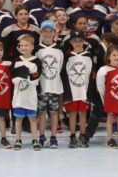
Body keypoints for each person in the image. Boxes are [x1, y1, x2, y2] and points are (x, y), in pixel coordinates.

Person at [62, 30, 95, 147]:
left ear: (84, 41)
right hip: (72, 91)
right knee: (72, 114)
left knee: (83, 114)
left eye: (80, 41)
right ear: (71, 42)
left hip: (84, 91)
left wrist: (89, 92)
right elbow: (65, 75)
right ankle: (72, 136)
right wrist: (67, 93)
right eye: (75, 41)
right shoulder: (68, 57)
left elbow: (91, 75)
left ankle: (82, 135)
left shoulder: (88, 56)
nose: (77, 43)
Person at [35, 20, 65, 148]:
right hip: (42, 87)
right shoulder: (37, 50)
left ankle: (53, 137)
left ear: (54, 33)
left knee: (54, 113)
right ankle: (42, 136)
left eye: (50, 31)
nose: (48, 34)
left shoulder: (59, 50)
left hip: (54, 86)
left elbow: (61, 67)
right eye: (45, 31)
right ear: (41, 33)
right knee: (41, 113)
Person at [10, 33, 42, 150]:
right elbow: (13, 78)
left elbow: (36, 79)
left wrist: (25, 75)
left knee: (33, 119)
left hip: (31, 96)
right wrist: (23, 75)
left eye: (26, 45)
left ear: (32, 46)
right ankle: (18, 140)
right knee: (18, 119)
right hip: (19, 97)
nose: (23, 47)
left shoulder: (37, 61)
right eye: (21, 45)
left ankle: (35, 140)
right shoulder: (16, 60)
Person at [97, 46, 118, 149]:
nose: (117, 57)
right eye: (114, 55)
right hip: (110, 99)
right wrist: (106, 98)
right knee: (110, 118)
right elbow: (101, 87)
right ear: (108, 57)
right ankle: (110, 139)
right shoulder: (104, 70)